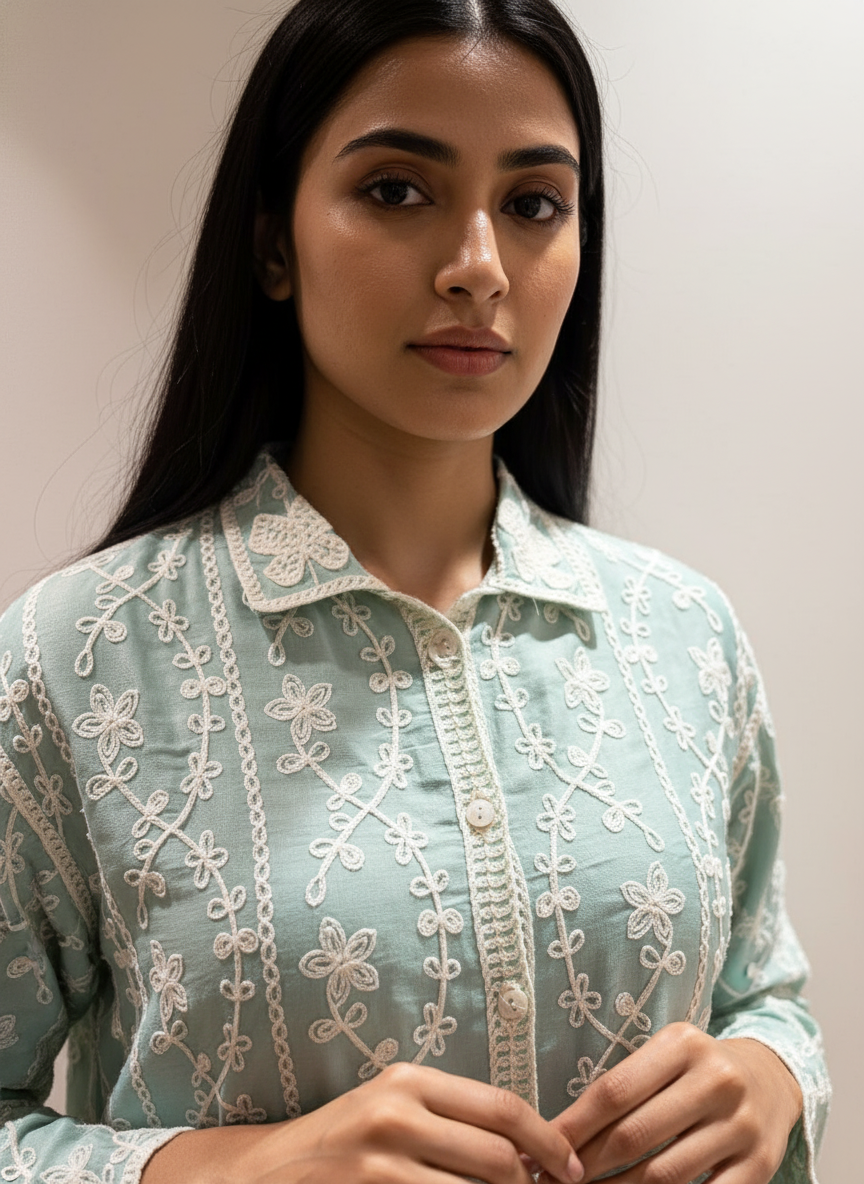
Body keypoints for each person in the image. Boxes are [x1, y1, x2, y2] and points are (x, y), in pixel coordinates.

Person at [0, 1, 830, 1181]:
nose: (478, 266)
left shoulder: (684, 636)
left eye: (535, 203)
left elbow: (767, 992)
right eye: (398, 190)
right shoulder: (72, 661)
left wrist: (774, 1077)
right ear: (272, 241)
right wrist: (229, 1169)